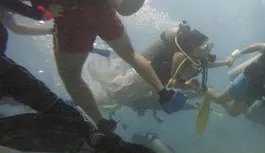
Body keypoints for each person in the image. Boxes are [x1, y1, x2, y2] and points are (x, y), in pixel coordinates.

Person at [5, 0, 184, 130]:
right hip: (101, 7)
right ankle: (164, 93)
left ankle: (102, 124)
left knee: (71, 77)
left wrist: (40, 12)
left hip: (72, 17)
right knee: (129, 54)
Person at [85, 21, 232, 117]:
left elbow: (207, 63)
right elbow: (173, 82)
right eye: (205, 47)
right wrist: (194, 86)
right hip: (142, 80)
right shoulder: (180, 57)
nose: (208, 49)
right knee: (114, 91)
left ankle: (108, 63)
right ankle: (85, 100)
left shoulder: (196, 56)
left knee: (124, 96)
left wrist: (226, 62)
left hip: (152, 85)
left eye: (209, 45)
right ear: (192, 48)